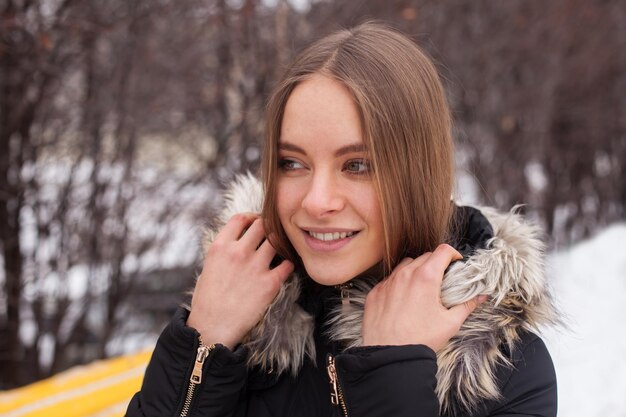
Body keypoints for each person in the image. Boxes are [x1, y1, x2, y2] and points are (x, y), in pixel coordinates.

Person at [125, 22, 558, 417]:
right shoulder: (241, 318)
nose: (316, 202)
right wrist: (203, 344)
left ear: (419, 172)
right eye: (292, 163)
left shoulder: (503, 367)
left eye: (357, 165)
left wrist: (393, 373)